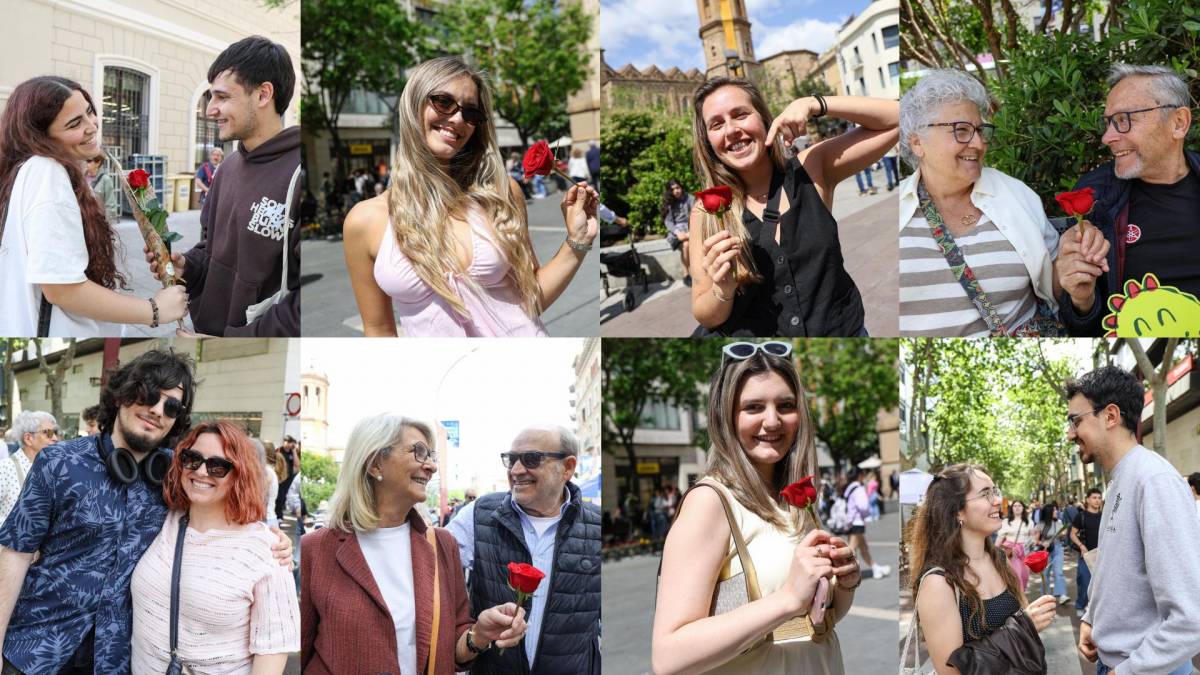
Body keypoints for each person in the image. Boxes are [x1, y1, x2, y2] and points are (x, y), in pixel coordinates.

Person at [0, 349, 292, 673]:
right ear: (123, 394)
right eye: (149, 394)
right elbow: (16, 552)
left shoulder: (176, 474)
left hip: (116, 661)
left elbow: (223, 512)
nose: (156, 410)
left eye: (171, 406)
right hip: (35, 649)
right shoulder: (58, 462)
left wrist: (273, 540)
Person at [342, 57, 598, 337]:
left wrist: (578, 240)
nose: (457, 119)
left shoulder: (501, 194)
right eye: (443, 102)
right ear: (413, 103)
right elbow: (378, 330)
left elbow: (531, 300)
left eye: (471, 113)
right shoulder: (364, 220)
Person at [652, 342, 861, 674]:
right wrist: (788, 597)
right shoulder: (710, 502)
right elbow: (668, 656)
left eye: (786, 405)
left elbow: (814, 622)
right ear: (726, 416)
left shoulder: (794, 498)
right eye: (753, 407)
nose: (773, 421)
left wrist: (844, 584)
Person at [301, 413, 527, 674]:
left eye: (431, 455)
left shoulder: (442, 545)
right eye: (418, 452)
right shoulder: (315, 549)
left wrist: (479, 634)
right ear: (375, 464)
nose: (430, 466)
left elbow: (451, 649)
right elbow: (302, 649)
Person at [689, 79, 897, 337]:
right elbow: (703, 312)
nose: (731, 130)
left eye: (740, 115)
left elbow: (899, 118)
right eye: (717, 124)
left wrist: (812, 103)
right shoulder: (706, 211)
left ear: (765, 119)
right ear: (708, 141)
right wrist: (722, 290)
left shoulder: (811, 168)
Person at [898, 69, 1098, 337]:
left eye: (981, 131)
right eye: (962, 131)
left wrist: (1072, 271)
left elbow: (1055, 287)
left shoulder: (1016, 195)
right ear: (917, 142)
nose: (979, 143)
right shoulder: (895, 209)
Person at [0, 76, 189, 336]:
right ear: (41, 136)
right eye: (74, 123)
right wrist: (154, 309)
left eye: (89, 112)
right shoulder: (47, 172)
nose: (91, 126)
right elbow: (61, 288)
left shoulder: (26, 170)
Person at [146, 36, 301, 337]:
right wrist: (187, 266)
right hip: (200, 331)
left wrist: (232, 343)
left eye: (222, 97)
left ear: (263, 94)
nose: (210, 110)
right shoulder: (227, 167)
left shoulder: (298, 172)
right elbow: (211, 248)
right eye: (211, 97)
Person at [130, 421, 299, 674]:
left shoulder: (266, 549)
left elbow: (273, 649)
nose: (201, 471)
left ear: (239, 475)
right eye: (192, 459)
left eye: (218, 466)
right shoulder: (161, 520)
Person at [1066, 366, 1200, 673]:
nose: (1070, 433)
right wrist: (1091, 617)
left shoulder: (1154, 481)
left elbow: (1192, 616)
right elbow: (1116, 564)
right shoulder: (1118, 481)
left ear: (1110, 416)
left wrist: (1128, 671)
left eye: (1076, 421)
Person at [1057, 64, 1200, 336]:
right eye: (1108, 122)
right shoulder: (1094, 198)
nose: (1107, 137)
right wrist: (1081, 301)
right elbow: (1082, 328)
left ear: (1178, 123)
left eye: (1123, 120)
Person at [446, 425, 600, 674]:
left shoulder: (597, 527)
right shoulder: (478, 515)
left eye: (531, 459)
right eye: (511, 460)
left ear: (568, 467)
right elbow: (430, 573)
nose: (516, 470)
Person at [909, 464, 1058, 674]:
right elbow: (952, 671)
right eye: (985, 494)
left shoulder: (999, 559)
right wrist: (1024, 627)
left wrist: (1031, 620)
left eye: (994, 491)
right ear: (957, 511)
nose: (997, 500)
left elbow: (1022, 621)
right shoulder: (938, 582)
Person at [0, 411, 57, 524]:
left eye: (55, 432)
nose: (55, 438)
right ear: (28, 438)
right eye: (48, 433)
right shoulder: (5, 469)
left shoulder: (54, 469)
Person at [844, 466, 889, 579]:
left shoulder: (849, 489)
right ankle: (844, 573)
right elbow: (863, 507)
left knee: (863, 548)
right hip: (857, 522)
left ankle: (875, 568)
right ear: (860, 476)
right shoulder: (858, 489)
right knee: (851, 549)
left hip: (851, 522)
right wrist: (866, 514)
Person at [1070, 487, 1103, 619]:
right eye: (1094, 498)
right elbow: (1072, 534)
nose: (1097, 501)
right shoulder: (1081, 516)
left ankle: (1098, 610)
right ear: (1088, 500)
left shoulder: (1105, 515)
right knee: (1084, 582)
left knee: (1102, 584)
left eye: (1099, 498)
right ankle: (1080, 605)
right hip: (1087, 555)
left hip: (1103, 554)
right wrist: (1081, 546)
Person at [1036, 501, 1070, 605]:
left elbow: (1064, 536)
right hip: (1045, 551)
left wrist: (1063, 535)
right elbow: (1035, 540)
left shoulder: (1059, 523)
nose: (1056, 511)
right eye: (1054, 510)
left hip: (1058, 549)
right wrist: (1043, 542)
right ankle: (1045, 595)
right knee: (1045, 574)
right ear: (1049, 511)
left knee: (1058, 572)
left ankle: (1062, 594)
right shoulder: (1041, 524)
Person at [996, 499, 1034, 590]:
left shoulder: (1029, 522)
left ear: (1023, 508)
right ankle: (1018, 600)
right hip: (1011, 552)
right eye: (1015, 506)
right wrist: (994, 551)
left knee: (1024, 577)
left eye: (1019, 506)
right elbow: (1000, 538)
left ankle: (1020, 596)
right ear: (1012, 508)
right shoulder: (1006, 521)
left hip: (1025, 551)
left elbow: (1032, 538)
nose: (1017, 508)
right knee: (1016, 576)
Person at [662, 179, 695, 281]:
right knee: (685, 245)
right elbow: (668, 222)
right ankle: (686, 272)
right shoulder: (669, 202)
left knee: (688, 244)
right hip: (676, 230)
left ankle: (690, 272)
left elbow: (695, 215)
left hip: (691, 227)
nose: (676, 191)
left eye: (677, 188)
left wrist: (691, 231)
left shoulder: (690, 198)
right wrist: (678, 232)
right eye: (673, 189)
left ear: (681, 187)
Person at [85, 155, 120, 224]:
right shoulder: (82, 178)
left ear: (98, 163)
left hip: (98, 222)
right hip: (84, 222)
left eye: (89, 161)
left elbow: (110, 205)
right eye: (85, 161)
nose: (86, 164)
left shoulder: (105, 180)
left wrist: (107, 225)